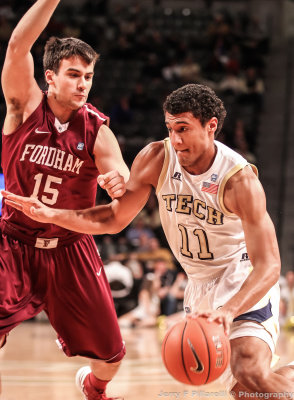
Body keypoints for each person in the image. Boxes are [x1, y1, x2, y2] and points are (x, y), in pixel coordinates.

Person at [3, 83, 294, 398]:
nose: (176, 139)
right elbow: (114, 218)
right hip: (199, 284)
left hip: (240, 278)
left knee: (249, 371)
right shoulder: (157, 158)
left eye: (183, 129)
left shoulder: (239, 181)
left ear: (211, 127)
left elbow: (269, 265)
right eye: (170, 128)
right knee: (246, 392)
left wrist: (229, 310)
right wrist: (52, 215)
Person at [0, 1, 130, 399]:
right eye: (74, 75)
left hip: (70, 247)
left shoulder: (97, 130)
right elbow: (17, 47)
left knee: (111, 355)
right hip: (14, 242)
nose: (83, 84)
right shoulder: (26, 106)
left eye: (88, 76)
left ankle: (92, 388)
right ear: (50, 77)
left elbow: (121, 175)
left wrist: (118, 181)